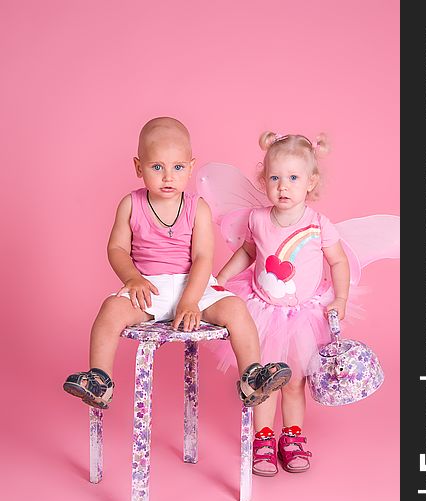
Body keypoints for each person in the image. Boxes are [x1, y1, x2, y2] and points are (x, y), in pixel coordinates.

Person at [63, 118, 291, 410]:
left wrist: (191, 300)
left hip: (193, 283)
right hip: (149, 285)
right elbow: (117, 248)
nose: (168, 177)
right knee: (109, 311)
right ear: (138, 167)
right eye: (157, 167)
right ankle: (99, 380)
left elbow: (202, 258)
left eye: (178, 167)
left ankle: (252, 376)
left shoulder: (197, 208)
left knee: (236, 308)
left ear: (191, 166)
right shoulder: (131, 204)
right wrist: (132, 278)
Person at [215, 131, 350, 475]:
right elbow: (247, 252)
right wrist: (220, 279)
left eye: (292, 178)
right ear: (263, 180)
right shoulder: (257, 219)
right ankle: (262, 437)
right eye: (275, 178)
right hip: (263, 311)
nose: (283, 186)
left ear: (310, 182)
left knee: (293, 381)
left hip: (303, 316)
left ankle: (291, 436)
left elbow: (338, 262)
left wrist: (341, 297)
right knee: (264, 378)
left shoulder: (319, 224)